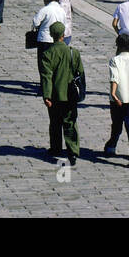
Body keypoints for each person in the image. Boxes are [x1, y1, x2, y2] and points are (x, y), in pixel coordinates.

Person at [39, 21, 83, 166]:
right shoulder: (73, 52)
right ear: (63, 35)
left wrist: (46, 96)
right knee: (70, 123)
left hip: (55, 96)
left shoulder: (47, 54)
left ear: (51, 35)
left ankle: (56, 148)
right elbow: (80, 73)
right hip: (70, 95)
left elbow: (46, 76)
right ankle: (73, 151)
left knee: (55, 123)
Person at [104, 34, 129, 166]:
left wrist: (114, 95)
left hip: (118, 99)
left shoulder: (115, 60)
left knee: (116, 125)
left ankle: (111, 146)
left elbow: (114, 78)